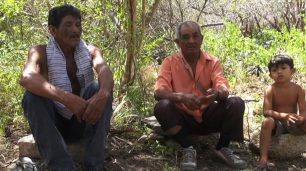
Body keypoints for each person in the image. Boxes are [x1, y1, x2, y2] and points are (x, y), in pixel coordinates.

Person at [19, 4, 113, 171]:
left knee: (102, 88)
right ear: (52, 30)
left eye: (78, 24)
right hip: (54, 124)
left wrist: (103, 94)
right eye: (68, 25)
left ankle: (94, 166)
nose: (75, 30)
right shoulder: (40, 51)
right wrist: (67, 98)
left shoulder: (91, 50)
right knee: (31, 97)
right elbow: (26, 77)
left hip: (83, 120)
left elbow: (104, 69)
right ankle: (62, 167)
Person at [153, 21, 247, 170]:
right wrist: (182, 97)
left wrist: (216, 93)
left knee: (236, 103)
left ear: (201, 39)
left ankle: (222, 148)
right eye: (185, 37)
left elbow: (222, 85)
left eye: (195, 36)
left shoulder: (213, 62)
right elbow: (159, 91)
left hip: (208, 117)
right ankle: (187, 148)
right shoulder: (169, 62)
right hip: (183, 120)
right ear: (178, 42)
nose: (191, 41)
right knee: (162, 107)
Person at [257, 54, 306, 170]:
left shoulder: (298, 89)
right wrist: (284, 116)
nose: (279, 72)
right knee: (267, 122)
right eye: (274, 70)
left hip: (293, 122)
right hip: (277, 123)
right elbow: (266, 111)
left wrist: (302, 118)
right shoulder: (270, 90)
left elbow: (303, 111)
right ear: (270, 75)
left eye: (283, 68)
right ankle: (263, 158)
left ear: (292, 71)